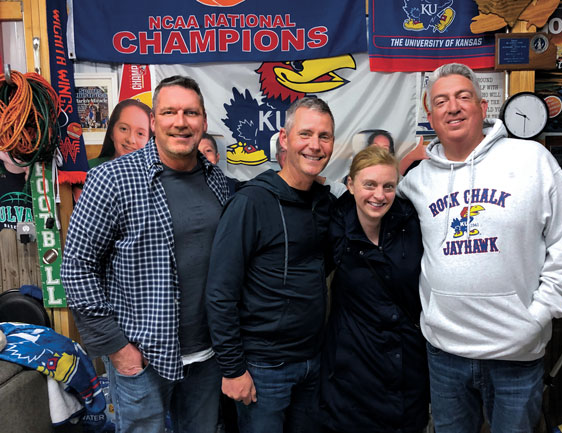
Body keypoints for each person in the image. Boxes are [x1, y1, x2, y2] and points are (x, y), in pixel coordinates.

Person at [397, 63, 562, 433]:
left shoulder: (532, 160)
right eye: (442, 101)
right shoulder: (415, 182)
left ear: (483, 108)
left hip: (515, 352)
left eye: (463, 97)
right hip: (445, 352)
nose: (453, 107)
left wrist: (537, 317)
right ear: (430, 116)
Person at [62, 75, 234, 433]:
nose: (180, 121)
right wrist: (118, 348)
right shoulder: (112, 179)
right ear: (154, 122)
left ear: (203, 122)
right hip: (142, 357)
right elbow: (77, 267)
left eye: (191, 113)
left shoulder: (217, 181)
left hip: (207, 356)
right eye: (169, 111)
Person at [206, 96, 335, 433]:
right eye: (306, 134)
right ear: (285, 138)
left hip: (312, 362)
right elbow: (221, 291)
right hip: (263, 369)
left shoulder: (323, 202)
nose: (315, 145)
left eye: (325, 136)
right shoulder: (251, 202)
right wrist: (233, 369)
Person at [319, 146, 428, 433]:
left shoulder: (413, 224)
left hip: (407, 371)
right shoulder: (333, 226)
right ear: (351, 185)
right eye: (369, 185)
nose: (379, 195)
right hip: (352, 373)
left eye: (388, 186)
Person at [88, 98, 152, 169]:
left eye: (140, 133)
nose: (131, 140)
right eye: (124, 129)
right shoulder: (88, 168)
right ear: (112, 132)